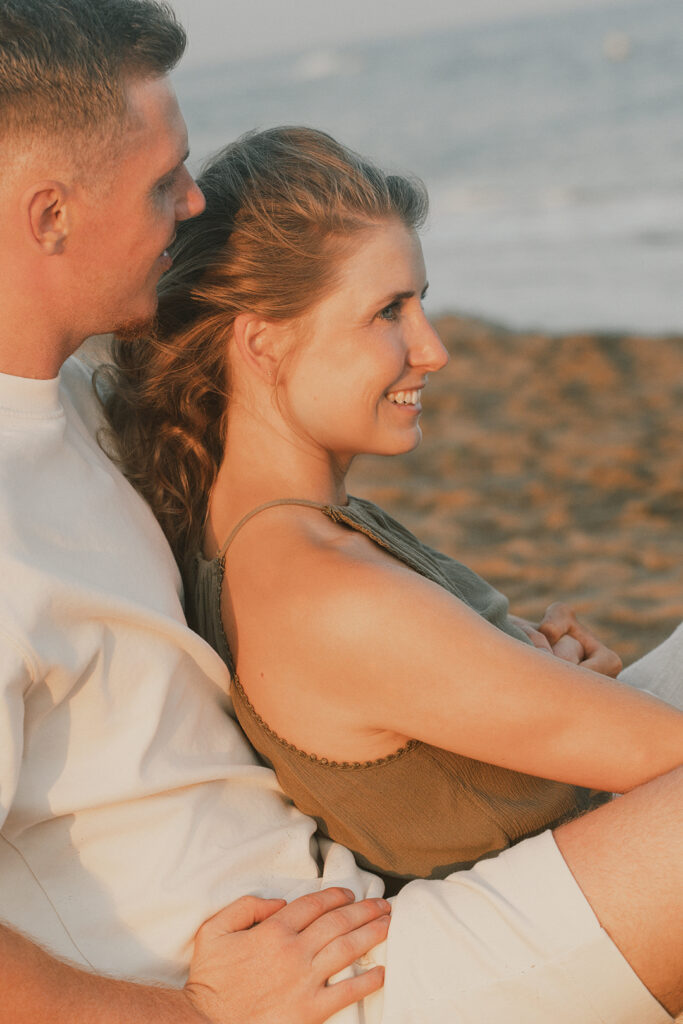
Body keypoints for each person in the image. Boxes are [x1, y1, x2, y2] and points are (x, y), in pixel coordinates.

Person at [0, 3, 680, 1023]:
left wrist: (506, 669)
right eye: (161, 181)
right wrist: (195, 1017)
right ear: (50, 216)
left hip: (353, 902)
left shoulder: (82, 411)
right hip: (326, 996)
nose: (191, 204)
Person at [102, 125, 683, 890]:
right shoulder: (322, 590)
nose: (432, 348)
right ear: (263, 343)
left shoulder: (271, 535)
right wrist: (573, 692)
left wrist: (551, 682)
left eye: (422, 305)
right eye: (388, 312)